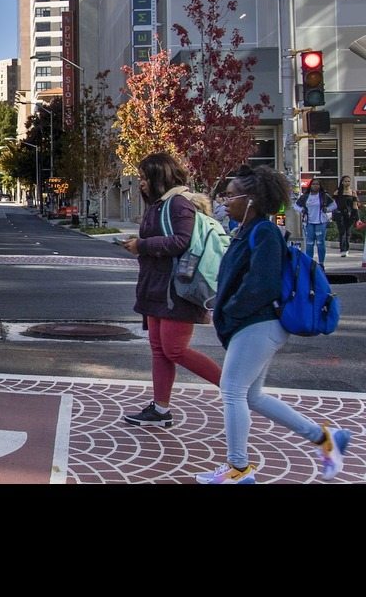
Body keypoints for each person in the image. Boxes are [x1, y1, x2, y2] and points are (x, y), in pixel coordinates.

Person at [197, 164, 351, 484]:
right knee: (252, 396)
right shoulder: (247, 230)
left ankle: (238, 469)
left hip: (258, 324)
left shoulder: (264, 231)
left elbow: (262, 285)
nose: (225, 201)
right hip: (254, 325)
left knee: (232, 391)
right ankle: (325, 438)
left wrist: (230, 311)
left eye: (230, 195)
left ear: (251, 198)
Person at [118, 152, 223, 429]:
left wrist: (142, 245)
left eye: (144, 178)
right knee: (159, 349)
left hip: (176, 288)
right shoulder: (159, 204)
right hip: (156, 286)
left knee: (174, 349)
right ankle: (160, 409)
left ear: (158, 177)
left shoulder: (178, 203)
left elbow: (181, 241)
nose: (140, 183)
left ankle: (231, 385)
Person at [294, 177, 334, 267]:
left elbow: (334, 205)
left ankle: (321, 263)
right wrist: (302, 210)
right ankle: (309, 263)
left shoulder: (324, 196)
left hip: (321, 222)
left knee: (320, 243)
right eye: (313, 184)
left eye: (317, 184)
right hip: (309, 223)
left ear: (320, 186)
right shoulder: (305, 196)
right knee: (309, 243)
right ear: (310, 185)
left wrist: (327, 209)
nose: (315, 186)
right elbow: (295, 205)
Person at [333, 175, 358, 258]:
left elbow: (355, 205)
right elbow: (334, 204)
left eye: (348, 181)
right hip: (340, 214)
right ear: (342, 182)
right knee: (342, 232)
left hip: (350, 214)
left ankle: (347, 249)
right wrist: (333, 215)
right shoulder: (337, 192)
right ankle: (343, 250)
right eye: (345, 181)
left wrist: (357, 217)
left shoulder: (353, 192)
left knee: (348, 233)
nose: (347, 183)